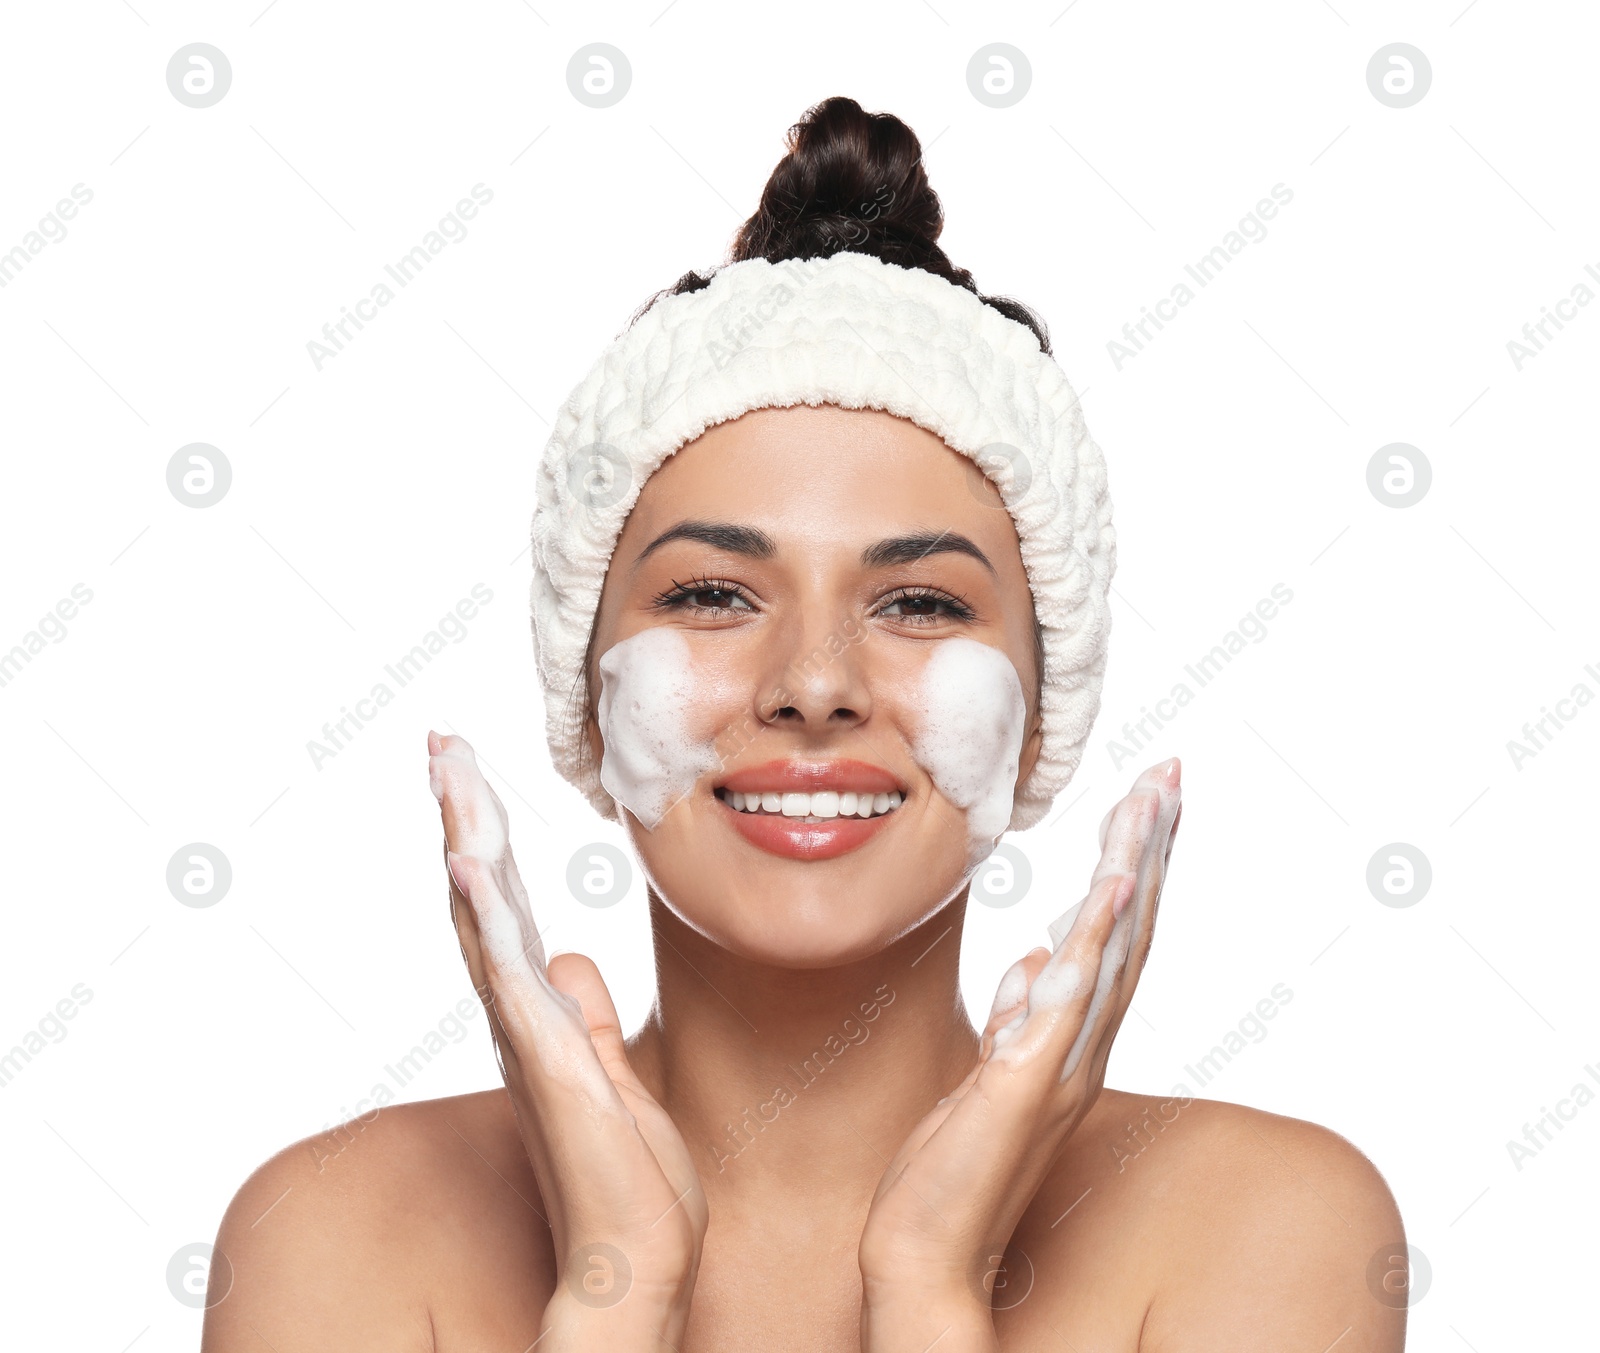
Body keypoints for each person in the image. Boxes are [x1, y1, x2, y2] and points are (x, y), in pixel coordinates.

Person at [204, 96, 1406, 1352]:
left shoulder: (1261, 1228)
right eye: (714, 595)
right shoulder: (339, 1233)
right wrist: (620, 1287)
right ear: (585, 685)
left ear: (1041, 710)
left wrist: (931, 1288)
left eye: (920, 601)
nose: (814, 684)